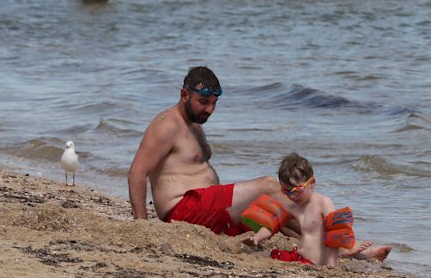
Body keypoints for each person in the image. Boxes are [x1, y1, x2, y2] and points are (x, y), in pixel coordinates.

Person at [126, 67, 391, 262]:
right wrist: (142, 224)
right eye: (203, 102)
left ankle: (336, 248)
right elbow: (137, 172)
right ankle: (345, 244)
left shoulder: (193, 123)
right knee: (269, 185)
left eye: (214, 103)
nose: (209, 109)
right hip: (183, 209)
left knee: (275, 213)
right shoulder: (167, 124)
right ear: (184, 94)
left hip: (206, 212)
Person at [242, 153, 389, 265]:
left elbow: (334, 235)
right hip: (298, 257)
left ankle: (352, 254)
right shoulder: (293, 207)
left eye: (296, 190)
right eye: (286, 191)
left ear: (311, 183)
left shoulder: (323, 203)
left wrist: (331, 264)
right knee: (257, 256)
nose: (291, 196)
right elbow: (272, 224)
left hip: (316, 262)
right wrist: (257, 238)